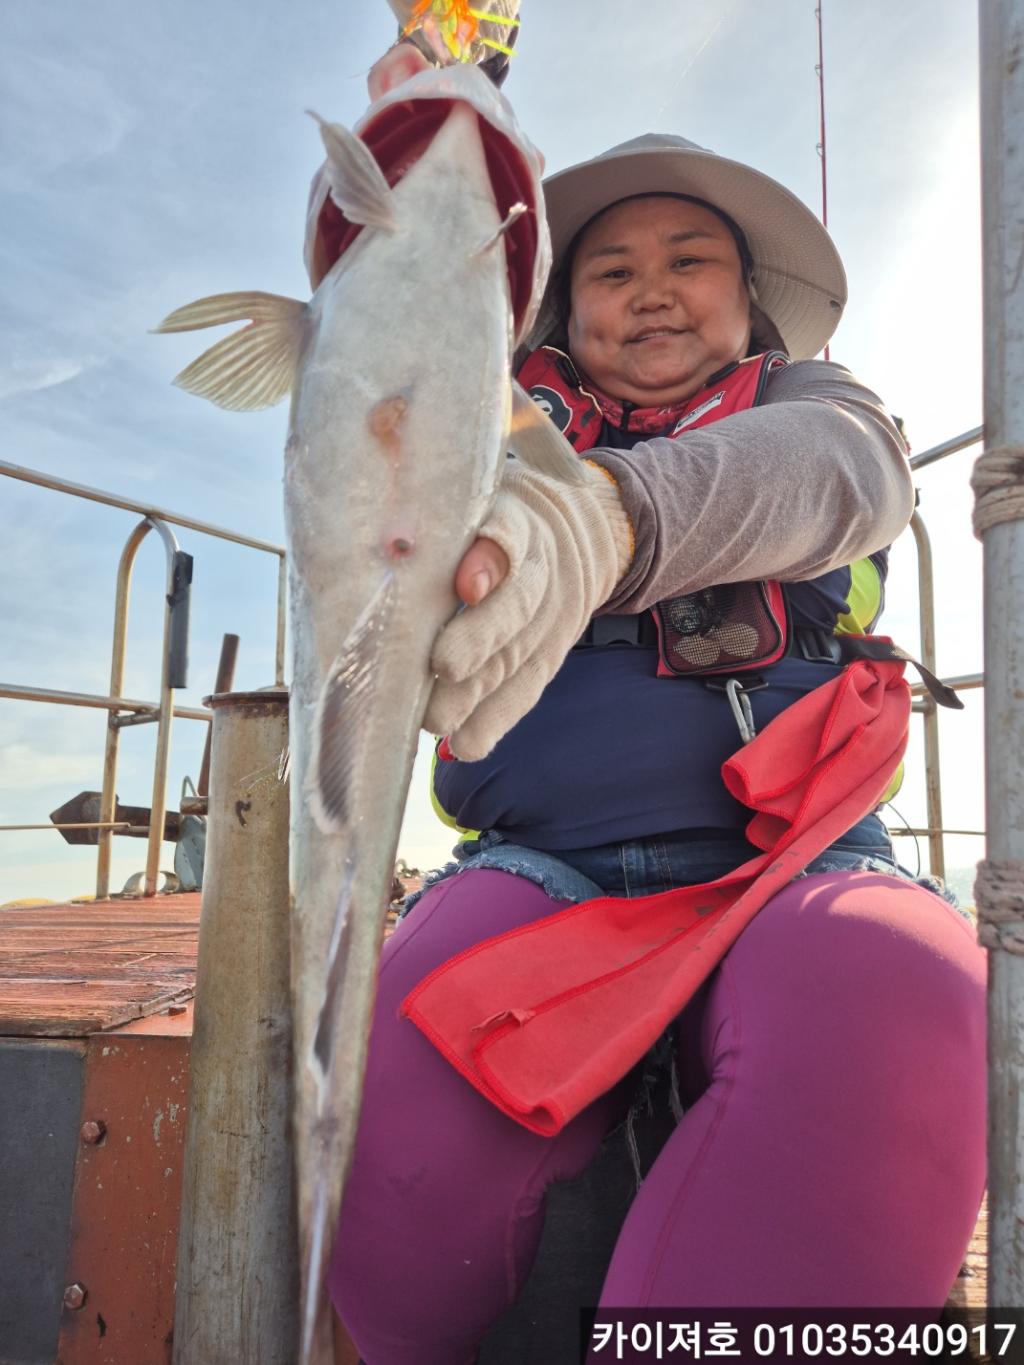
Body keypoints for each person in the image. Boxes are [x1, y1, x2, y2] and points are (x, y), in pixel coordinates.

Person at [322, 56, 987, 1365]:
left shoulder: (822, 411)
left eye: (692, 260)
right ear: (560, 315)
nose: (652, 288)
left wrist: (591, 525)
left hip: (802, 867)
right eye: (611, 271)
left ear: (753, 305)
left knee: (899, 989)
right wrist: (411, 174)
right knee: (402, 1067)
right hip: (545, 868)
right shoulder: (500, 426)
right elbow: (376, 406)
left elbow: (839, 480)